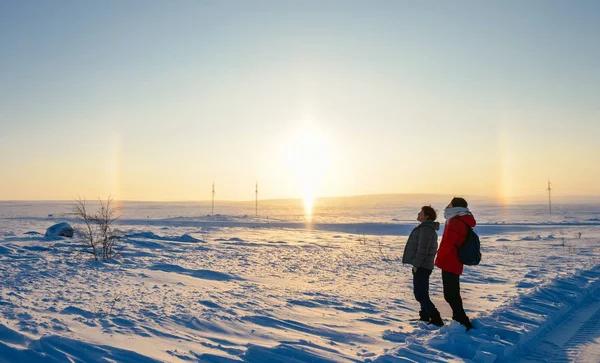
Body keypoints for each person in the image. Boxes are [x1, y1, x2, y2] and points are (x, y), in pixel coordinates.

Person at [435, 197, 475, 331]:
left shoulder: (454, 221)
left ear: (455, 206)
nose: (447, 205)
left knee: (450, 293)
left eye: (450, 203)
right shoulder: (463, 219)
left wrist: (439, 258)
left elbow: (448, 244)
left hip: (449, 260)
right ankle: (458, 319)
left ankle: (462, 321)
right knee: (453, 292)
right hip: (455, 260)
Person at [402, 206, 443, 326]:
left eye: (421, 213)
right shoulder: (425, 228)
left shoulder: (426, 229)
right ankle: (425, 316)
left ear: (426, 216)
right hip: (423, 265)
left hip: (423, 266)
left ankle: (436, 318)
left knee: (420, 294)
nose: (418, 214)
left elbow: (423, 250)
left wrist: (416, 264)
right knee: (422, 292)